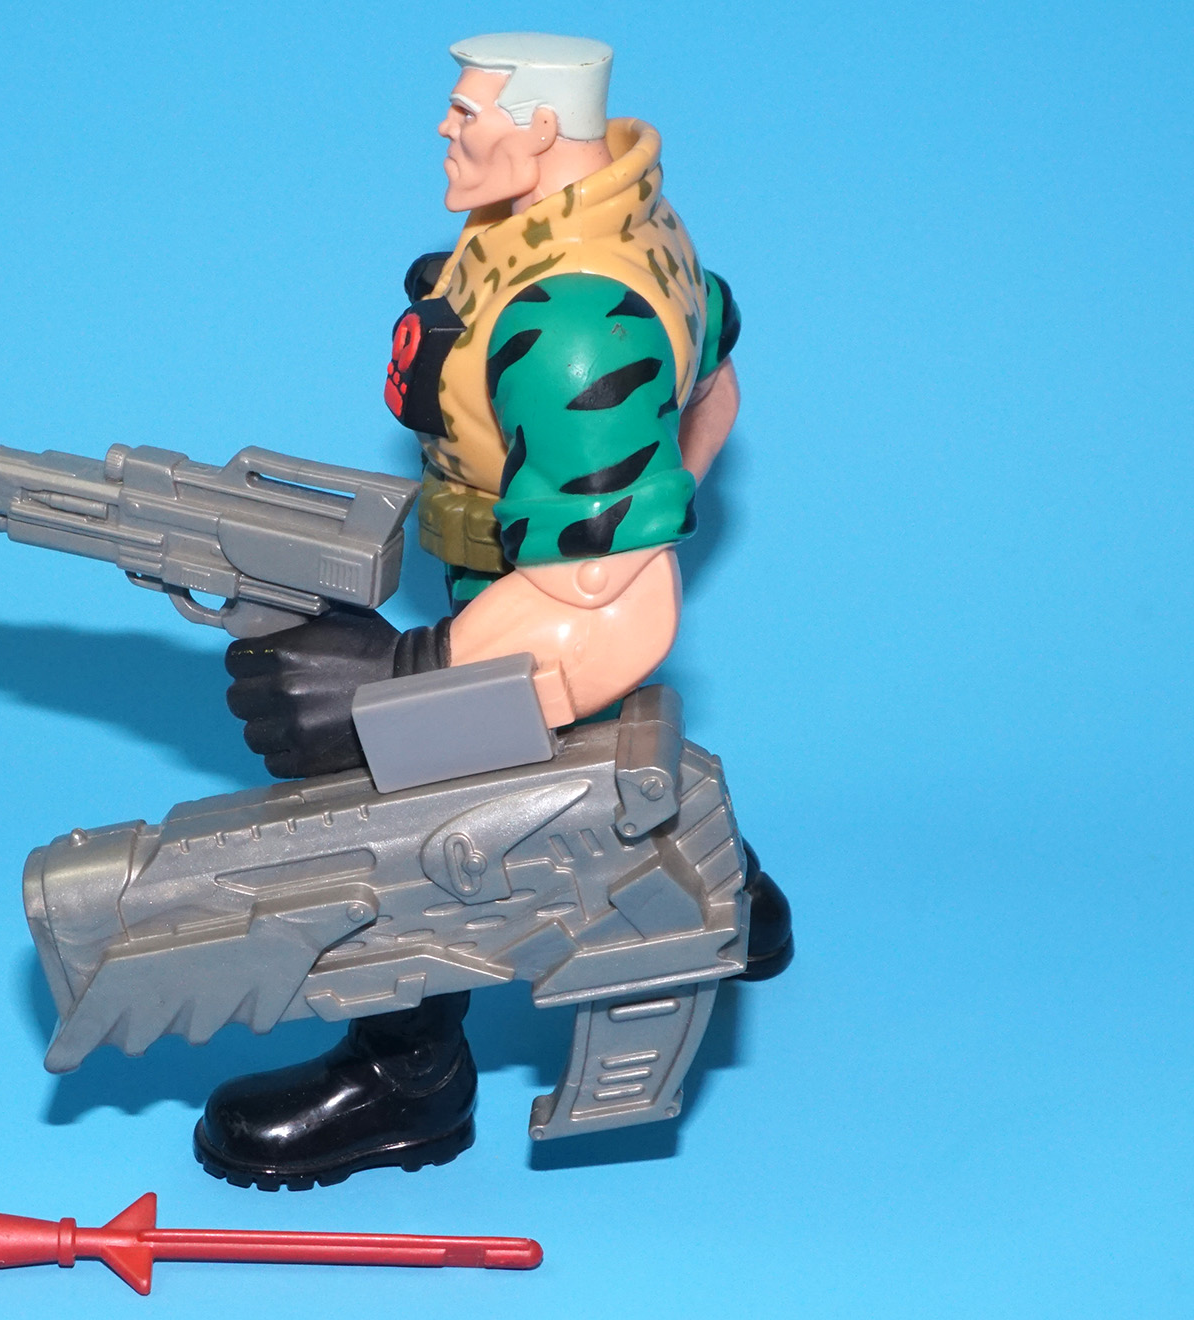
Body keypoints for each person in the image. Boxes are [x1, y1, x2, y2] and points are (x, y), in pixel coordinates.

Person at [199, 33, 791, 1191]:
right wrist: (646, 500)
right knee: (598, 754)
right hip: (529, 577)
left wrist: (409, 678)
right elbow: (714, 378)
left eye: (468, 113)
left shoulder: (573, 319)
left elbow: (607, 602)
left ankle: (407, 1076)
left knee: (408, 810)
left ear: (540, 129)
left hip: (550, 606)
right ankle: (729, 888)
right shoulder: (620, 219)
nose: (445, 126)